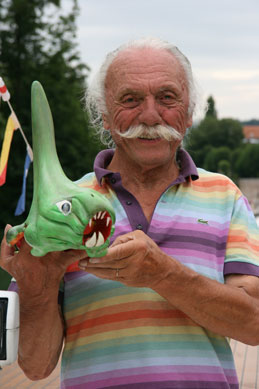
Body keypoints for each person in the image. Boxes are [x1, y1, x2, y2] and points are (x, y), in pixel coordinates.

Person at [1, 37, 259, 389]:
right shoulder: (63, 209)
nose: (150, 116)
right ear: (104, 116)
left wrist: (162, 274)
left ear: (188, 113)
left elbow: (253, 325)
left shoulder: (225, 196)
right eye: (130, 99)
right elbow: (35, 366)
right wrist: (36, 285)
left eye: (167, 98)